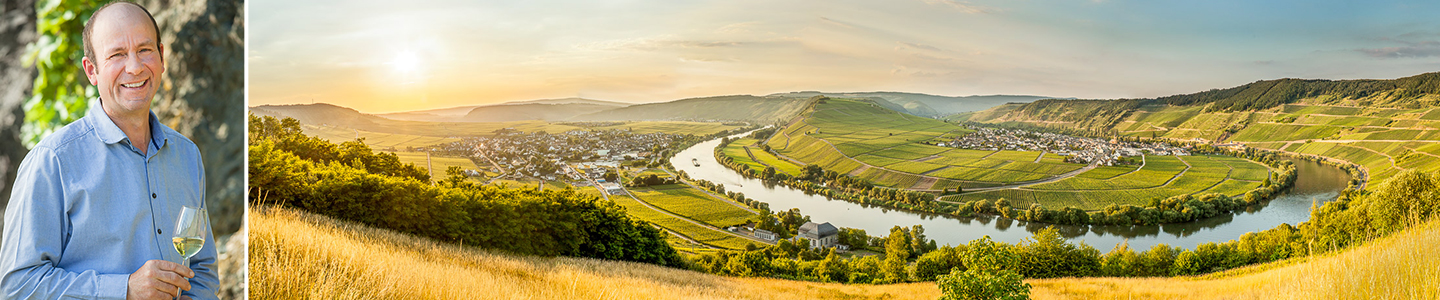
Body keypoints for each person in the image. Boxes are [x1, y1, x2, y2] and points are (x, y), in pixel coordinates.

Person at [0, 2, 217, 299]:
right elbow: (17, 286)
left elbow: (202, 269)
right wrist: (124, 289)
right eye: (117, 54)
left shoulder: (187, 155)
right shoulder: (53, 161)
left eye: (144, 50)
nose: (135, 67)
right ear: (92, 70)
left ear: (162, 56)